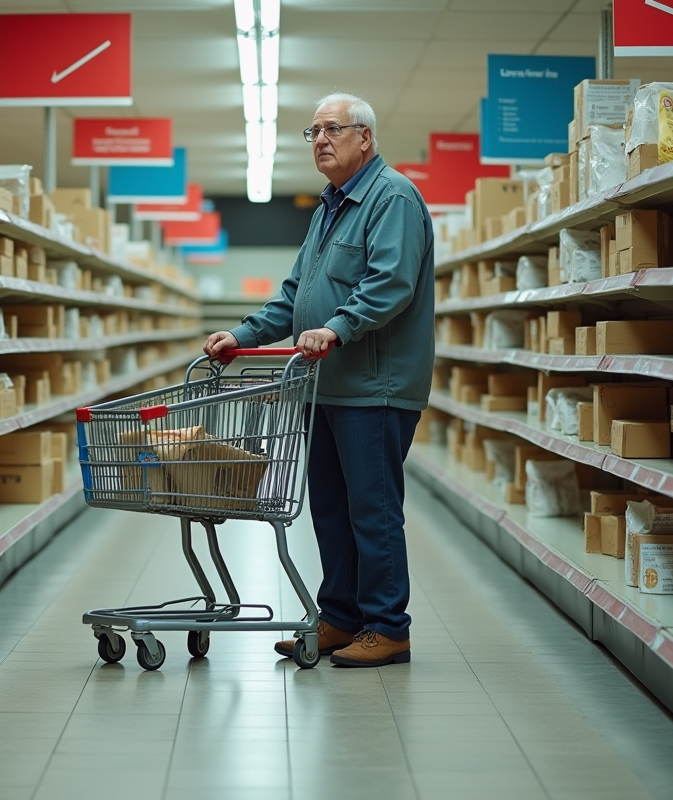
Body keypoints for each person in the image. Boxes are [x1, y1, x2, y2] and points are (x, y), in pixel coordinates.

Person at [203, 92, 435, 667]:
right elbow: (295, 294)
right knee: (330, 510)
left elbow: (391, 282)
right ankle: (341, 617)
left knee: (373, 511)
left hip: (375, 388)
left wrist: (337, 326)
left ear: (366, 137)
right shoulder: (329, 207)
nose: (321, 140)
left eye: (333, 129)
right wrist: (244, 334)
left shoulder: (392, 197)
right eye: (314, 132)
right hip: (325, 387)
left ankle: (388, 627)